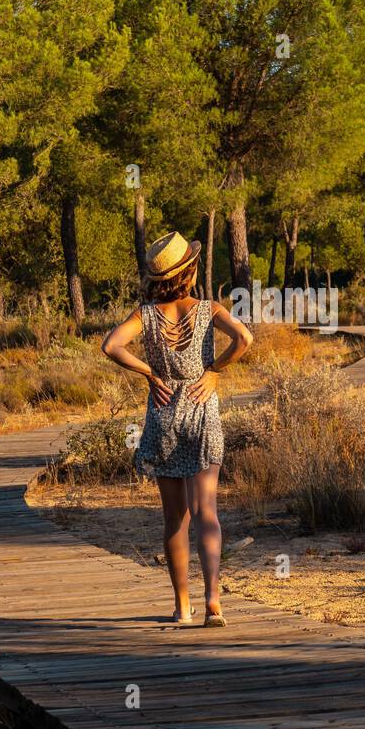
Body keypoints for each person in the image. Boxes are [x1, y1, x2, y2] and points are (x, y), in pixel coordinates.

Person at [101, 232, 253, 627]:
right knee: (207, 512)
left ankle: (182, 606)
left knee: (175, 519)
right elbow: (244, 338)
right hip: (202, 408)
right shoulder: (207, 308)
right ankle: (213, 600)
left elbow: (111, 345)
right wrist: (215, 371)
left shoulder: (145, 315)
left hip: (164, 411)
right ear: (189, 270)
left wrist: (149, 371)